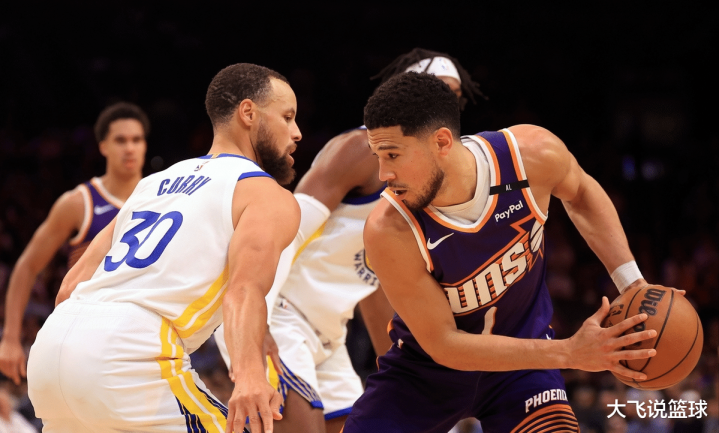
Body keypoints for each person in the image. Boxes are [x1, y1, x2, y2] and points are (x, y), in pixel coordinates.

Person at [342, 72, 671, 433]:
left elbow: (581, 194)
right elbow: (444, 344)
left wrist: (633, 283)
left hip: (523, 367)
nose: (383, 174)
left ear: (441, 142)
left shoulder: (530, 157)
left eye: (392, 155)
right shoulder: (389, 228)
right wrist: (569, 352)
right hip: (425, 375)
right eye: (377, 156)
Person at [214, 48, 486, 433]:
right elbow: (286, 231)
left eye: (454, 94)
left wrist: (396, 368)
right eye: (437, 87)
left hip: (330, 334)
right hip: (282, 314)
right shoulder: (360, 149)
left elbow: (378, 286)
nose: (447, 101)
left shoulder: (427, 182)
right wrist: (259, 323)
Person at [26, 63, 302, 433]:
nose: (297, 132)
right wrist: (250, 374)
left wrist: (77, 354)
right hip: (130, 349)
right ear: (248, 113)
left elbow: (71, 285)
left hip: (52, 349)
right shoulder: (267, 195)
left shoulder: (151, 184)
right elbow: (243, 290)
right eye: (287, 117)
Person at [0, 102, 149, 385]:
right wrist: (10, 338)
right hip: (86, 334)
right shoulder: (79, 202)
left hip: (143, 336)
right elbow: (27, 266)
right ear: (103, 146)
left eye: (136, 140)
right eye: (121, 140)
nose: (130, 148)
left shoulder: (162, 197)